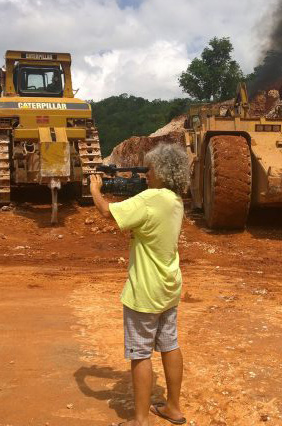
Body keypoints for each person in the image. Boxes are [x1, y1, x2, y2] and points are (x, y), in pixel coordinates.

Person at [89, 143, 190, 426]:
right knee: (170, 345)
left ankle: (141, 420)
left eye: (150, 168)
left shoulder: (150, 199)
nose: (147, 173)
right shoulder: (174, 199)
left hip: (144, 290)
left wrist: (96, 190)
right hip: (168, 287)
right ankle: (173, 408)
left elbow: (108, 213)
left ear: (162, 170)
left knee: (140, 353)